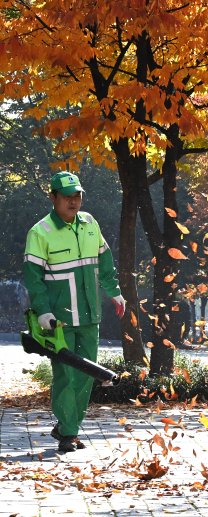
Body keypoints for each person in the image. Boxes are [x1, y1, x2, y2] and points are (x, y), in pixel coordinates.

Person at [23, 172, 125, 453]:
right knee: (66, 374)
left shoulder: (90, 223)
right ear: (53, 197)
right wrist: (42, 311)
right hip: (59, 320)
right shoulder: (40, 232)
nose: (73, 201)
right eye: (67, 196)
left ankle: (67, 427)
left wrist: (114, 290)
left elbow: (104, 260)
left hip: (90, 314)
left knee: (87, 373)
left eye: (77, 195)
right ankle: (69, 432)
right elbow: (33, 278)